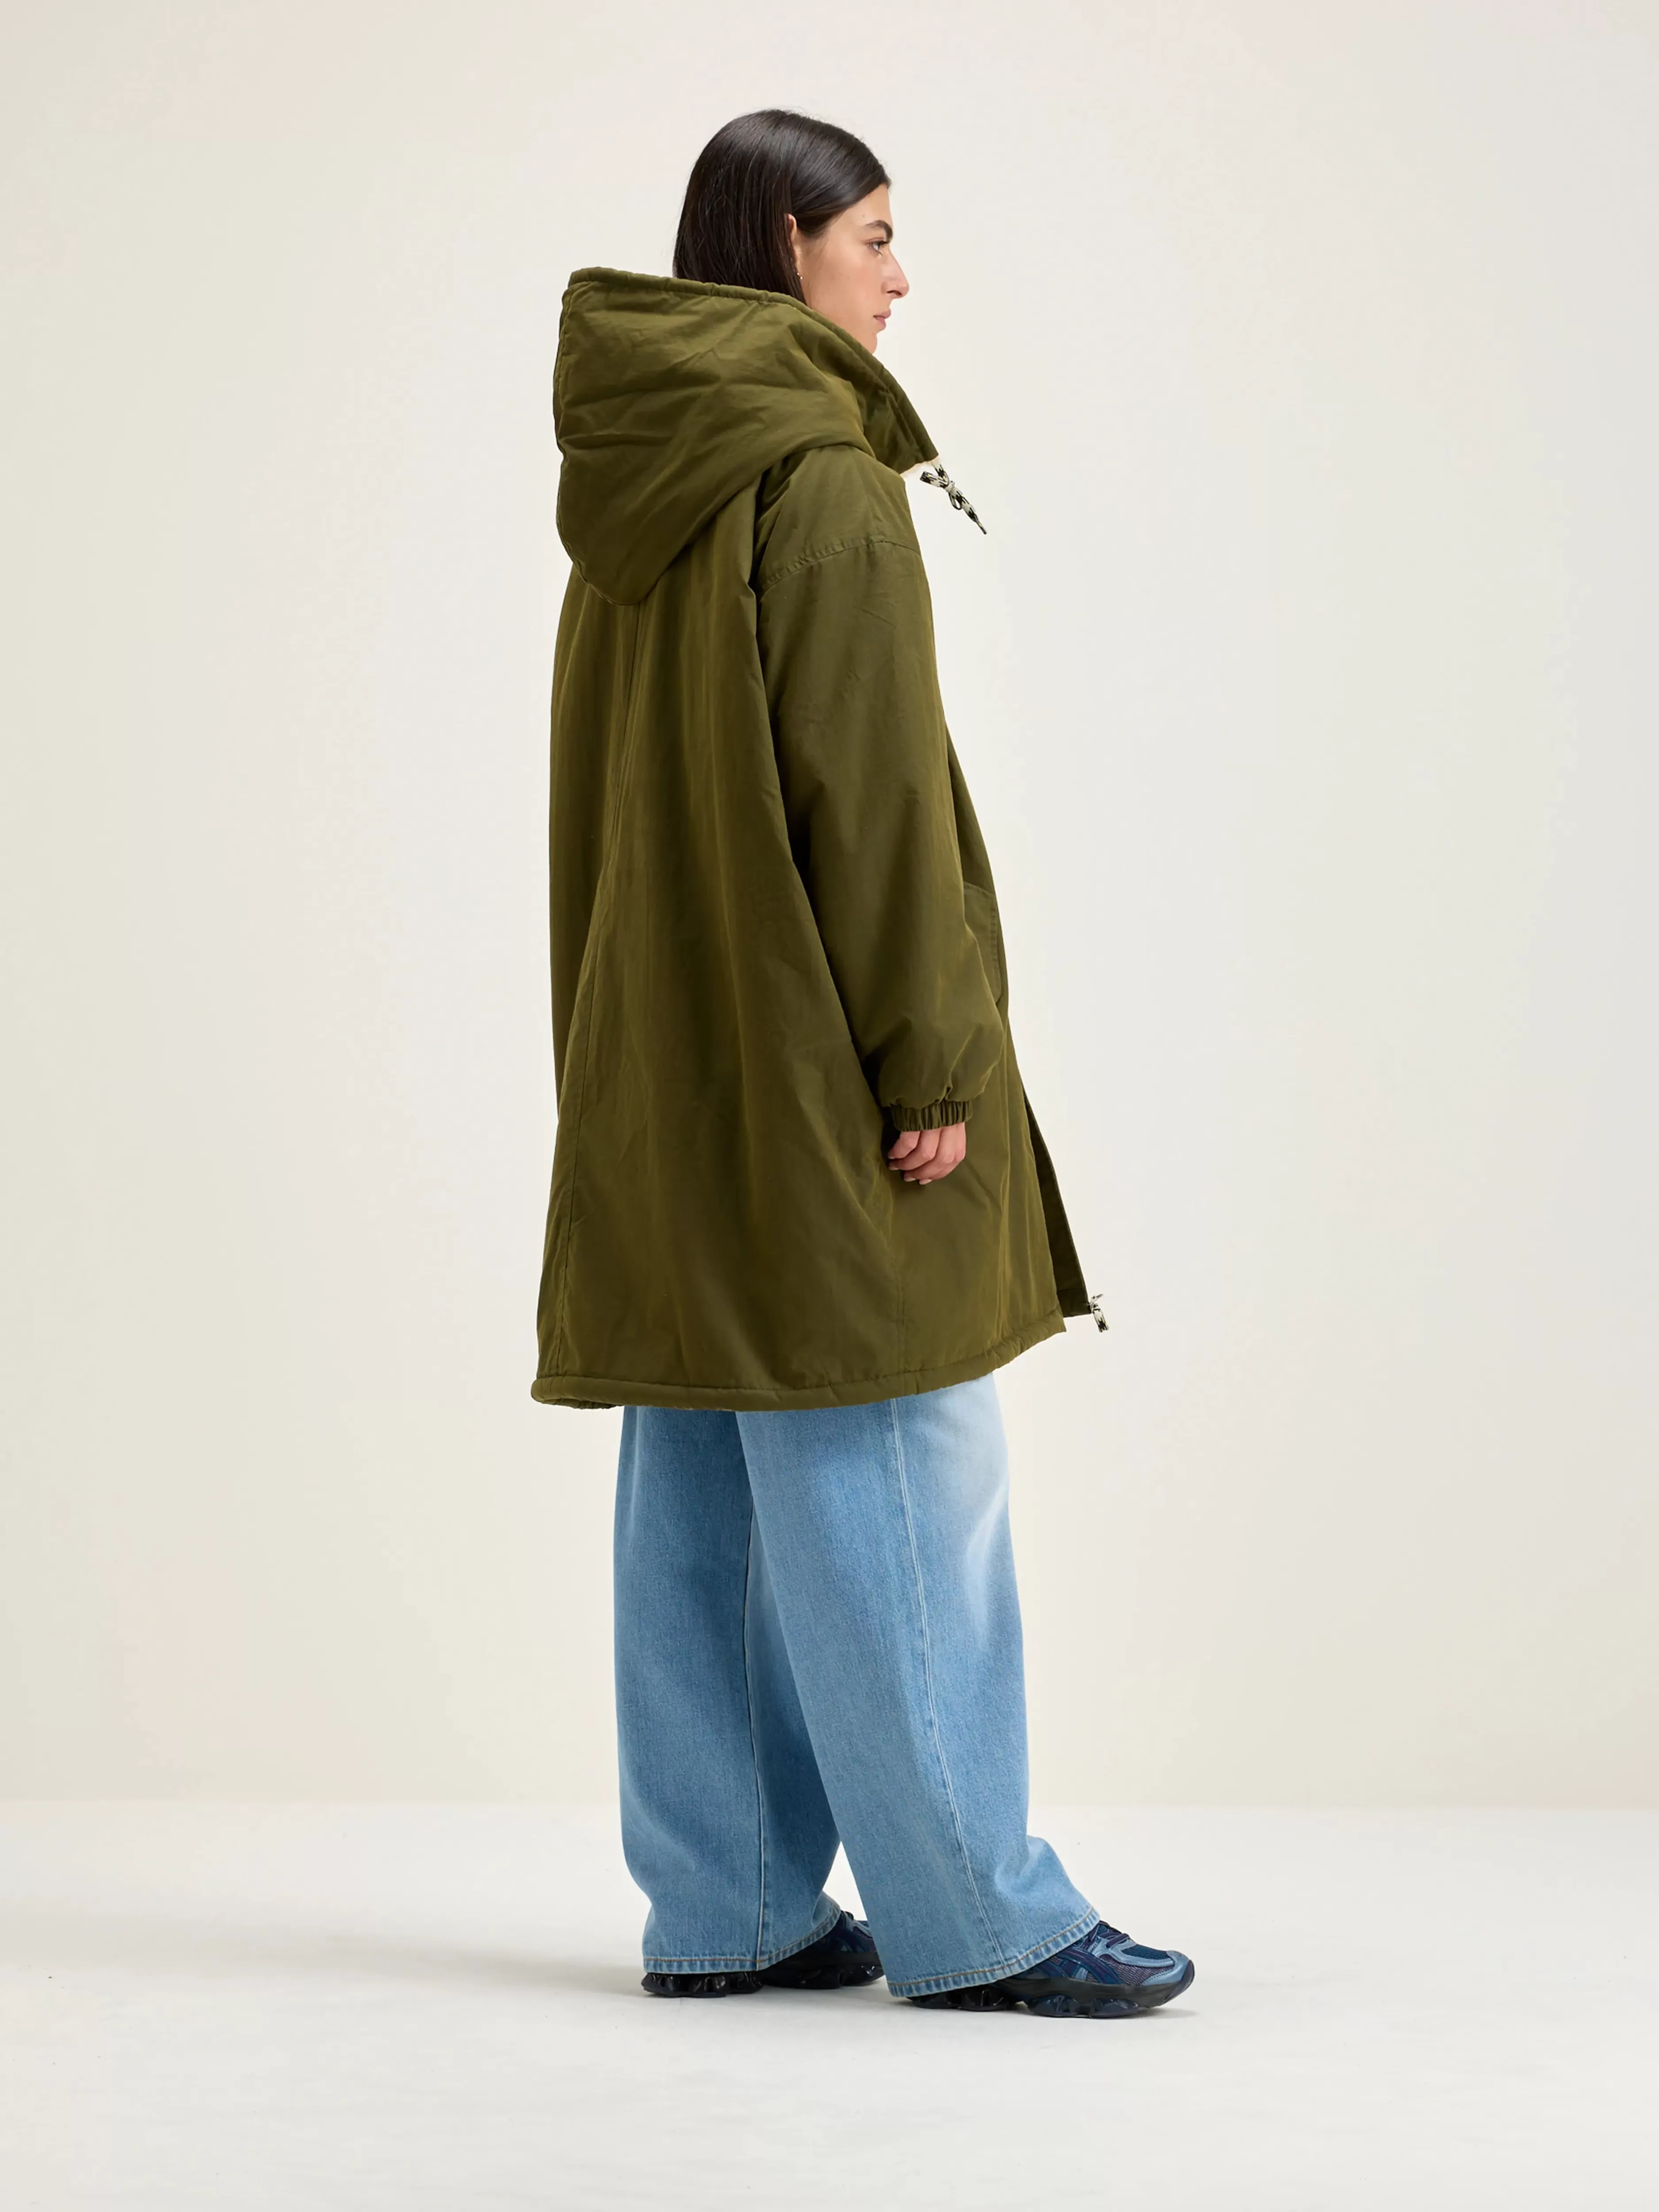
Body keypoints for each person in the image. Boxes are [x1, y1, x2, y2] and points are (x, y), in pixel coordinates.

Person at [532, 108, 1194, 2019]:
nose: (901, 278)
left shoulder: (642, 483)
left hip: (668, 1075)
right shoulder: (818, 473)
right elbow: (877, 803)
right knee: (899, 1452)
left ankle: (730, 1902)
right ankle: (980, 1914)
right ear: (785, 246)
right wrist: (933, 1067)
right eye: (876, 237)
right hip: (825, 1073)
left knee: (704, 1477)